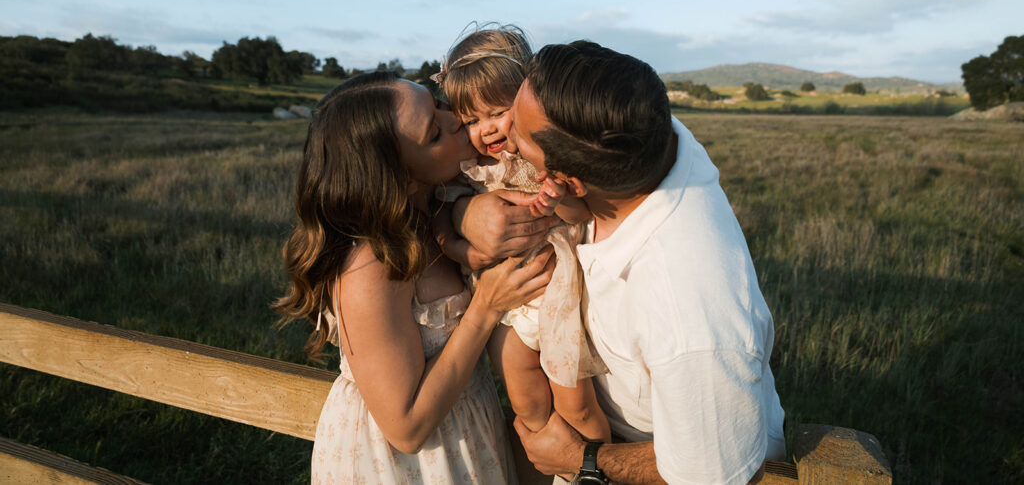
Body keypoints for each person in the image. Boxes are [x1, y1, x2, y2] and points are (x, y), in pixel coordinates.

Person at [457, 41, 786, 484]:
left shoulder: (688, 312)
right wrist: (465, 213)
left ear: (568, 184)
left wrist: (584, 461)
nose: (506, 138)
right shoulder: (631, 126)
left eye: (521, 141)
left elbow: (713, 472)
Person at [274, 71, 554, 484]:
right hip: (405, 466)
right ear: (401, 176)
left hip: (467, 436)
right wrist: (486, 307)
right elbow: (405, 428)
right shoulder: (372, 265)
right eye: (434, 134)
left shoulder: (435, 210)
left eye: (437, 103)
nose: (454, 119)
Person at [431, 24, 611, 446]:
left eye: (497, 112)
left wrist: (555, 199)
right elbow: (440, 210)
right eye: (471, 119)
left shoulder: (547, 157)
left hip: (555, 296)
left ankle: (597, 469)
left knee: (577, 405)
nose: (486, 129)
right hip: (507, 303)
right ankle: (547, 465)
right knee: (526, 400)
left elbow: (580, 213)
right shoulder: (475, 167)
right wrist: (462, 250)